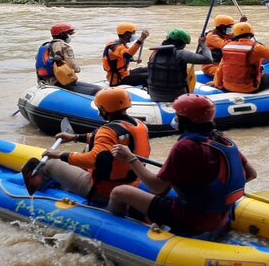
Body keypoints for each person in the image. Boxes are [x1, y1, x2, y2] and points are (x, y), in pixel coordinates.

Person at [106, 93, 257, 237]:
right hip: (220, 216)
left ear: (186, 120)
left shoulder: (185, 147)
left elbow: (158, 188)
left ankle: (113, 230)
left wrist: (131, 159)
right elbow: (251, 174)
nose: (175, 119)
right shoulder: (223, 140)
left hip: (190, 219)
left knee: (120, 192)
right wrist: (215, 193)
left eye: (177, 116)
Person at [22, 87, 151, 204]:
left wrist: (60, 155)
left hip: (102, 191)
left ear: (105, 109)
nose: (99, 111)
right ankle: (65, 183)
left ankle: (38, 194)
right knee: (87, 149)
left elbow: (94, 159)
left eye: (100, 108)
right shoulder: (139, 125)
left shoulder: (108, 131)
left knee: (50, 163)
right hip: (130, 184)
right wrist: (76, 137)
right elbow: (105, 138)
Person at [213, 22, 269, 93]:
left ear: (235, 34)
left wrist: (217, 84)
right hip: (249, 88)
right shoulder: (256, 47)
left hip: (228, 86)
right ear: (251, 34)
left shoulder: (227, 47)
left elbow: (220, 69)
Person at [146, 28, 213, 103]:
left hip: (154, 95)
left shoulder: (155, 52)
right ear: (182, 43)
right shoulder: (180, 54)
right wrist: (203, 44)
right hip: (176, 96)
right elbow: (208, 59)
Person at [103, 23, 150, 87]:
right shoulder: (115, 47)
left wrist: (133, 60)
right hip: (119, 80)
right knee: (147, 76)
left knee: (148, 69)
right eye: (133, 33)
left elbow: (121, 58)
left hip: (124, 74)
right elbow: (127, 55)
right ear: (126, 35)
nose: (134, 35)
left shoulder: (122, 44)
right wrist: (141, 39)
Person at [36, 22, 81, 88]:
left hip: (45, 81)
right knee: (95, 90)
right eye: (69, 34)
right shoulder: (64, 46)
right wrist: (77, 69)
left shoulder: (45, 46)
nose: (70, 36)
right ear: (63, 34)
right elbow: (74, 67)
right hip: (60, 81)